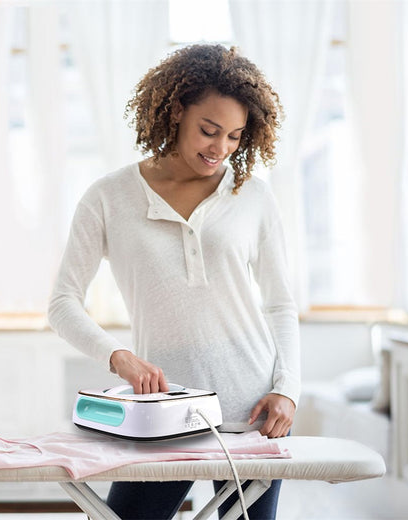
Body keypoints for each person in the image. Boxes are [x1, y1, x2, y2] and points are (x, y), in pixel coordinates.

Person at [48, 43, 300, 520]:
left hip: (256, 411)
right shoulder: (108, 197)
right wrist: (118, 358)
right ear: (175, 111)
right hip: (161, 414)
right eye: (209, 130)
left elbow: (281, 304)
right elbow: (62, 303)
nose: (220, 148)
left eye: (234, 136)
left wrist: (287, 388)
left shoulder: (254, 198)